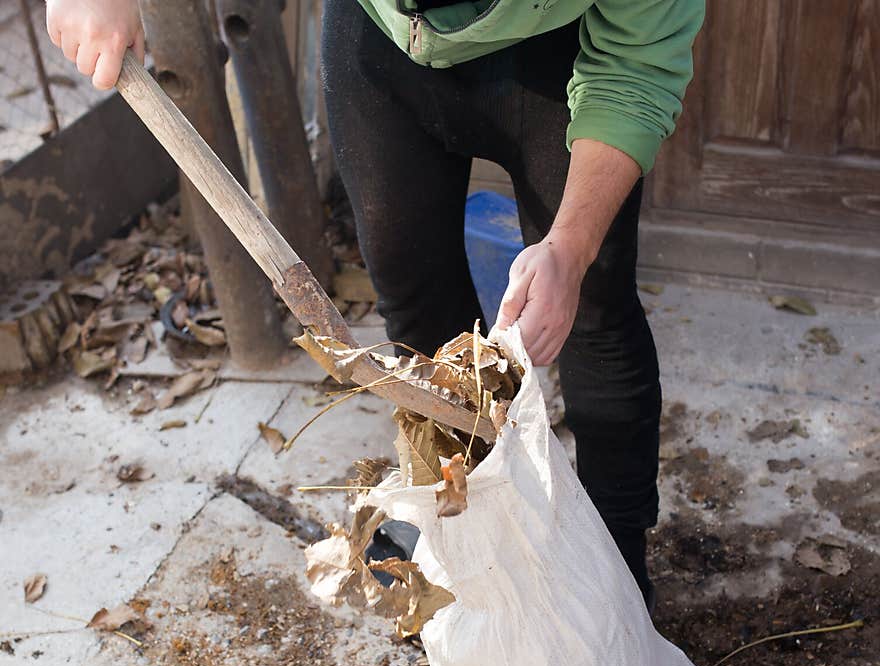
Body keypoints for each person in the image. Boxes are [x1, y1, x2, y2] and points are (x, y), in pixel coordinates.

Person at [47, 0, 706, 613]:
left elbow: (635, 71)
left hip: (552, 51)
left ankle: (619, 571)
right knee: (415, 296)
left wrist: (569, 247)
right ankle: (468, 543)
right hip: (381, 43)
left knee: (590, 304)